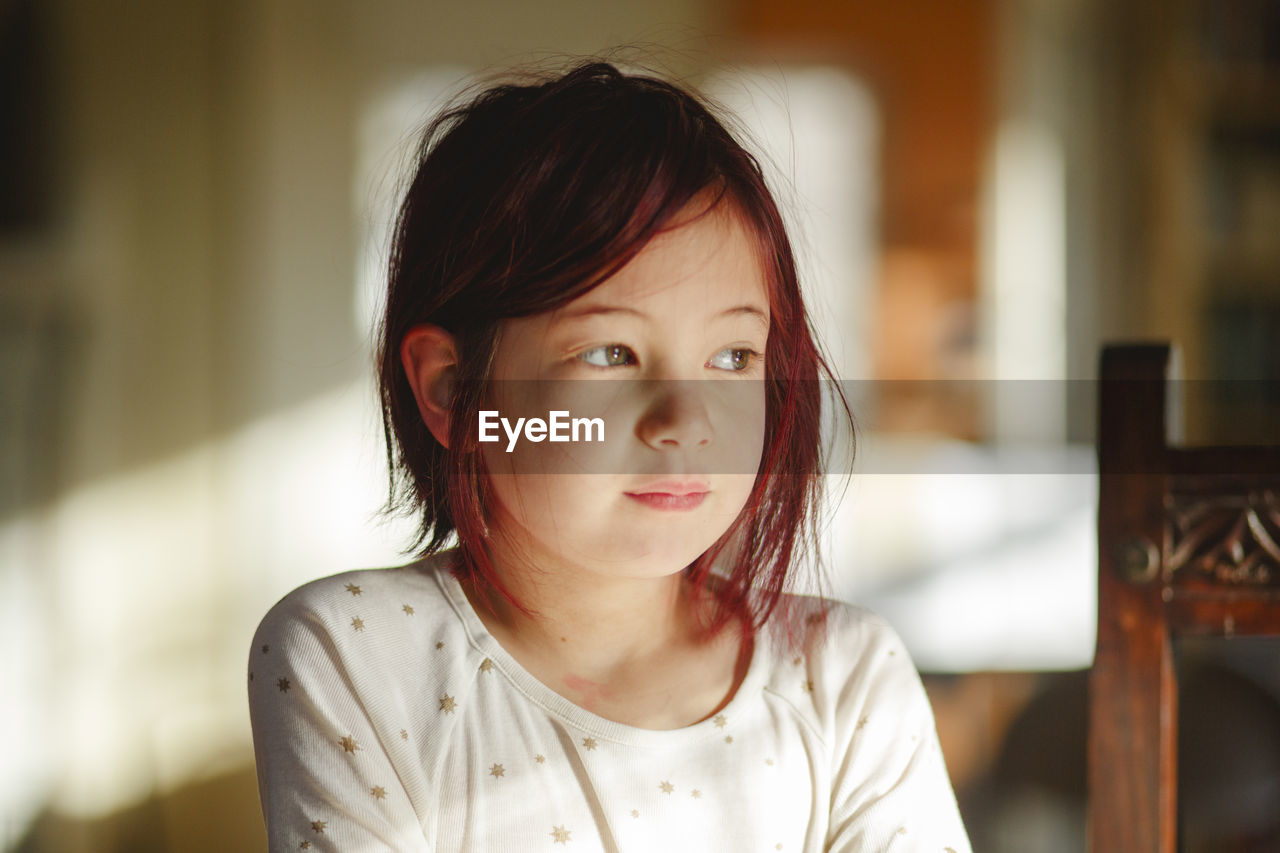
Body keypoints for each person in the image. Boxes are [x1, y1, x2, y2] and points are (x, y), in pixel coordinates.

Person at [248, 59, 971, 852]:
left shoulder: (845, 678)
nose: (685, 420)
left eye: (733, 356)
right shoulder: (353, 653)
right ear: (453, 389)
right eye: (611, 354)